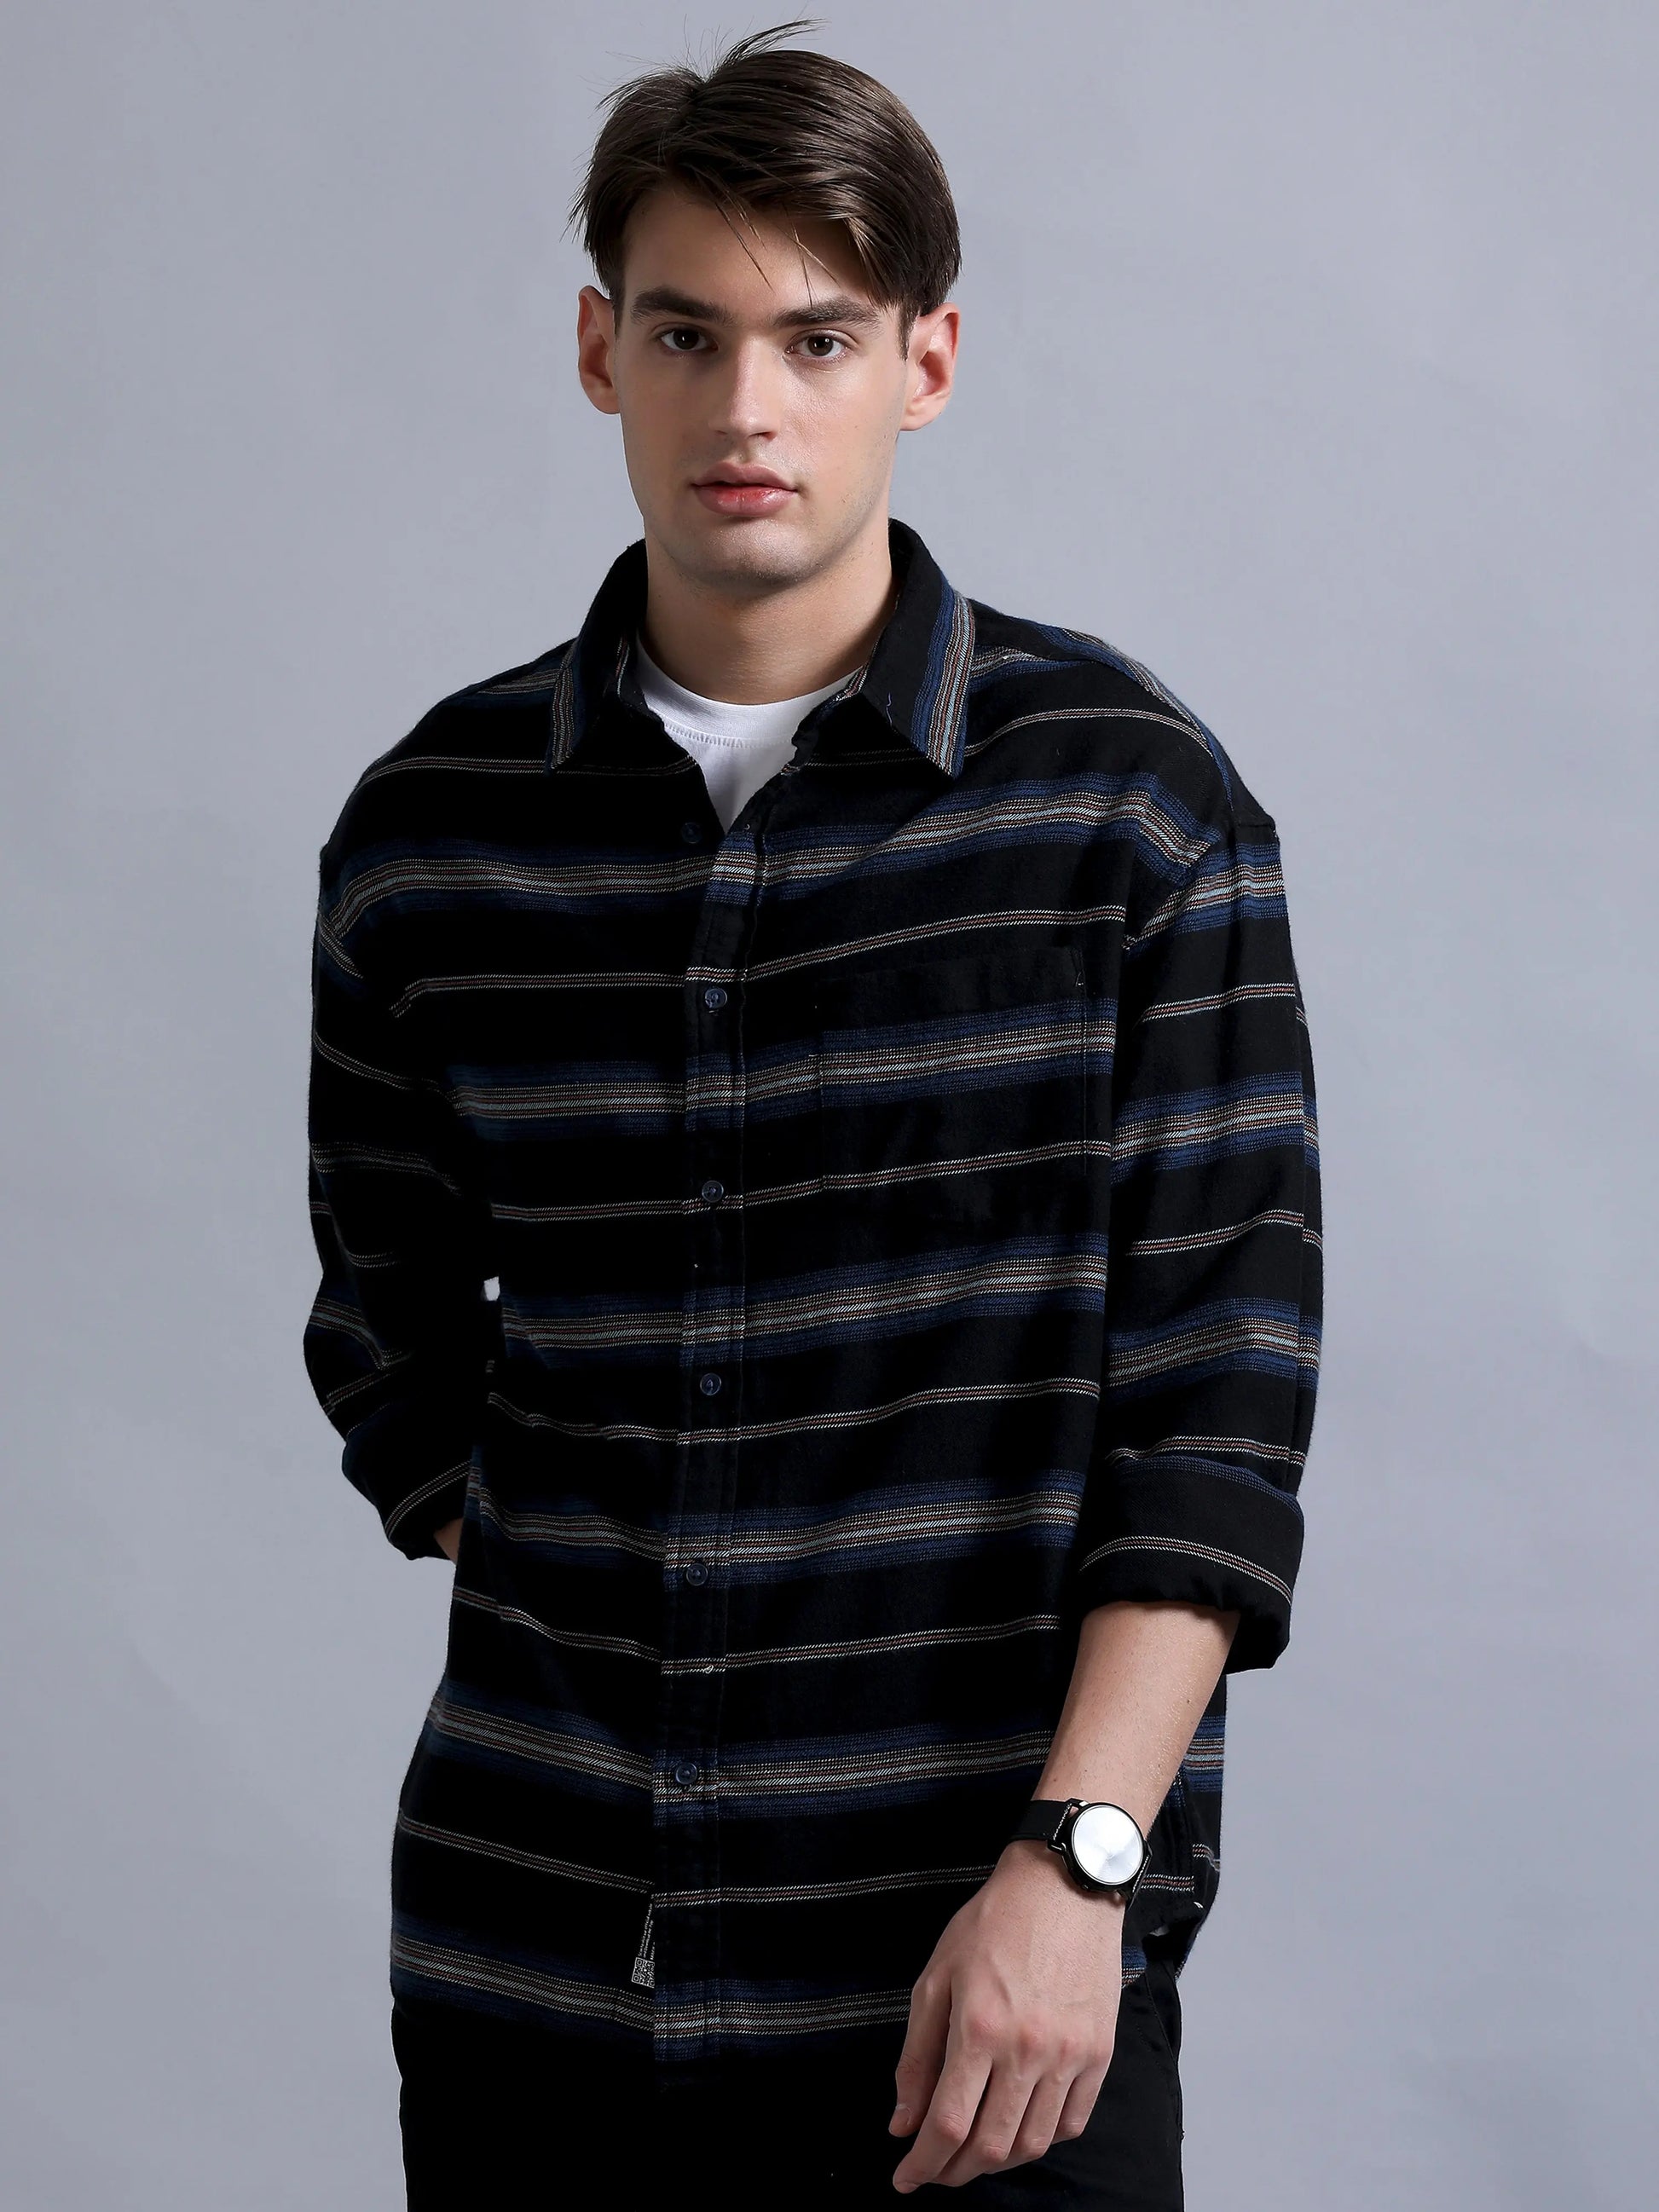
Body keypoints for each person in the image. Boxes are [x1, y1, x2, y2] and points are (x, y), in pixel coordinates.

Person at [302, 24, 1322, 2209]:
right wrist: (611, 1571)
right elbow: (390, 1342)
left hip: (986, 1989)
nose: (745, 408)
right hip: (537, 1976)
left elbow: (1218, 1415)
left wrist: (1075, 1862)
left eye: (817, 338)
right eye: (687, 334)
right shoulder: (432, 835)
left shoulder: (1128, 808)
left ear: (924, 361)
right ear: (601, 351)